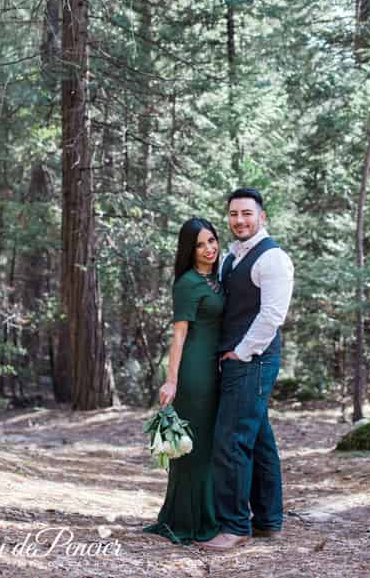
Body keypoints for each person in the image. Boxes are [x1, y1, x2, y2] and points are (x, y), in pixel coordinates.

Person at [197, 188, 294, 551]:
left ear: (262, 217)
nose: (239, 220)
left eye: (247, 214)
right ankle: (269, 521)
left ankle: (235, 525)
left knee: (231, 441)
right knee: (258, 439)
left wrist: (242, 352)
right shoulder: (231, 258)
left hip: (253, 358)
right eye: (234, 214)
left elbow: (272, 315)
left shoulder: (273, 259)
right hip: (236, 357)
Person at [144, 217, 224, 545]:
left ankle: (207, 512)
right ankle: (190, 519)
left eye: (212, 241)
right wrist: (171, 380)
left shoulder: (218, 279)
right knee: (196, 448)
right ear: (189, 251)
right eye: (200, 244)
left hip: (216, 371)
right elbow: (179, 337)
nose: (209, 249)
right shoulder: (187, 284)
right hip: (194, 374)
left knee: (210, 445)